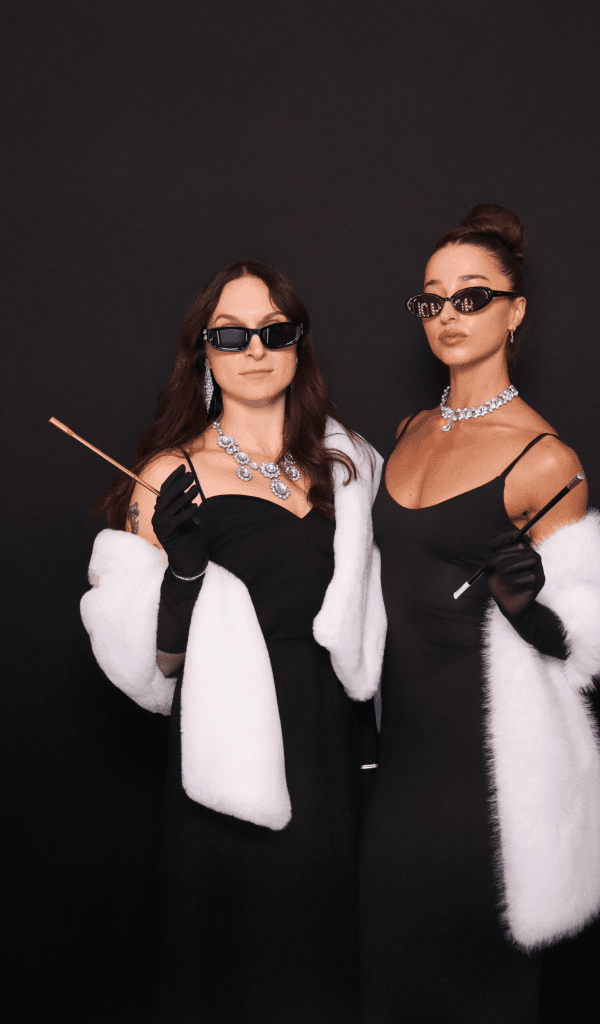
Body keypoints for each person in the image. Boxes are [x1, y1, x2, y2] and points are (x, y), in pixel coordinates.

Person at [81, 260, 385, 1023]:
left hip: (338, 761)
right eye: (231, 334)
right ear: (203, 354)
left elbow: (384, 621)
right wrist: (182, 575)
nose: (255, 348)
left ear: (298, 344)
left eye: (274, 331)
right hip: (232, 762)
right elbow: (152, 672)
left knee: (333, 979)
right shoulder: (168, 475)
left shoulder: (349, 466)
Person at [359, 206, 600, 1023]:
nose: (448, 315)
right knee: (385, 982)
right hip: (395, 768)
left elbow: (588, 640)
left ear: (515, 311)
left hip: (485, 785)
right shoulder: (406, 431)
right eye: (432, 300)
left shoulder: (543, 456)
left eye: (470, 297)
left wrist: (531, 609)